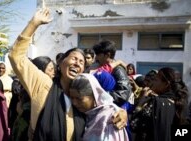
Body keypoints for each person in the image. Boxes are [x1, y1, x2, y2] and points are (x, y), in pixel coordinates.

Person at [8, 8, 127, 141]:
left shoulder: (84, 93)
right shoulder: (43, 85)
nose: (77, 63)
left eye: (81, 62)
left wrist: (120, 112)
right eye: (74, 58)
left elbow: (104, 106)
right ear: (60, 63)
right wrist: (33, 24)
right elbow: (16, 56)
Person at [130, 67, 189, 141]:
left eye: (156, 80)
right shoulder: (182, 105)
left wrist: (140, 103)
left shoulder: (155, 103)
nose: (153, 82)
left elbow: (134, 125)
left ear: (166, 84)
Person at [69, 73, 129, 141]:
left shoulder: (110, 117)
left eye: (79, 99)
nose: (74, 103)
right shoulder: (86, 113)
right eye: (72, 98)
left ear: (94, 96)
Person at [92, 40, 132, 106]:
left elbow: (124, 94)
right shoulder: (97, 67)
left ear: (108, 55)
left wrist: (101, 96)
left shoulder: (118, 70)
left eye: (98, 55)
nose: (96, 57)